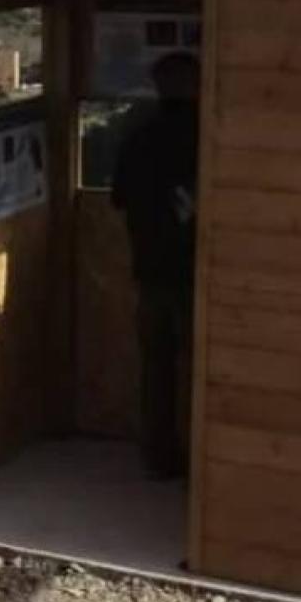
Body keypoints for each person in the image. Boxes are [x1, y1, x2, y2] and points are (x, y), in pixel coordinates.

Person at [109, 51, 200, 478]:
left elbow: (119, 199)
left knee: (157, 369)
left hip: (150, 270)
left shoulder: (139, 138)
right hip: (199, 275)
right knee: (200, 371)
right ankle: (204, 460)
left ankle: (159, 458)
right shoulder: (207, 137)